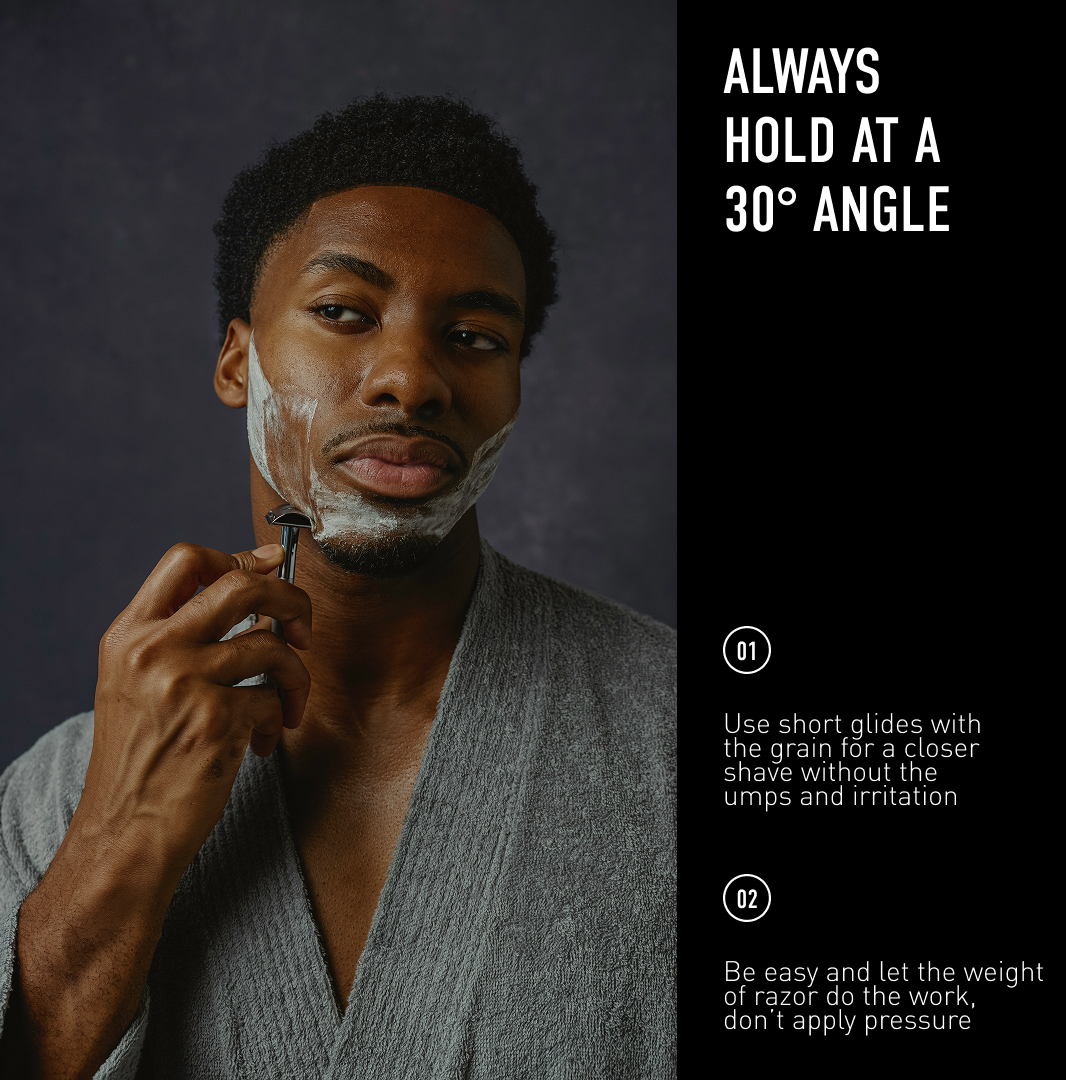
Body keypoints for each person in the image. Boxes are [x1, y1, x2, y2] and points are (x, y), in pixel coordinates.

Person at [0, 94, 675, 1078]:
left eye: (477, 336)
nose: (411, 377)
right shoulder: (52, 798)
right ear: (240, 361)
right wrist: (117, 843)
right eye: (344, 313)